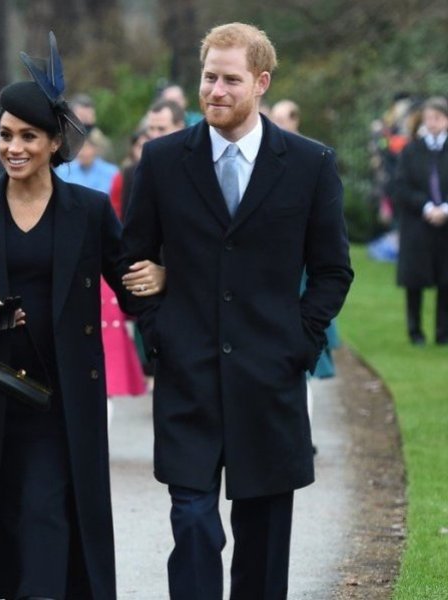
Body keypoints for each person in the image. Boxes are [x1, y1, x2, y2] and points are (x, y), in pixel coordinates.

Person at [0, 37, 164, 599]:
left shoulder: (88, 211)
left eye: (28, 136)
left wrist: (162, 275)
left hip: (60, 402)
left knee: (47, 521)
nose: (14, 147)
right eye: (5, 135)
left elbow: (130, 286)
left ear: (56, 143)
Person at [120, 23, 353, 599]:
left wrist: (298, 342)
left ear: (261, 83)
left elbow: (332, 270)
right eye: (208, 77)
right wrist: (159, 331)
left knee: (264, 540)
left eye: (230, 79)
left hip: (269, 378)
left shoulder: (309, 164)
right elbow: (132, 262)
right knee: (193, 523)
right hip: (188, 375)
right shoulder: (163, 160)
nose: (215, 91)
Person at [392, 96, 448, 346]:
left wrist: (444, 209)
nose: (432, 123)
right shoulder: (411, 150)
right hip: (418, 223)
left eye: (437, 118)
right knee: (415, 280)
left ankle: (443, 333)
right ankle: (415, 331)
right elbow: (401, 186)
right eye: (428, 118)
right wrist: (426, 206)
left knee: (446, 280)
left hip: (445, 226)